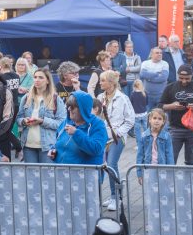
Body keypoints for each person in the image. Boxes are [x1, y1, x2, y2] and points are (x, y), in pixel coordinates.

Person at [97, 70, 134, 211]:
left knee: (111, 164)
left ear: (111, 83)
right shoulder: (100, 97)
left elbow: (130, 120)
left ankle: (116, 198)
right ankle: (114, 195)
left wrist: (118, 132)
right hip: (103, 137)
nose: (100, 83)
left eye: (103, 80)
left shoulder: (123, 98)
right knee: (110, 167)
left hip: (117, 138)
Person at [16, 67, 66, 163]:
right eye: (35, 77)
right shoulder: (26, 98)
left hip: (48, 146)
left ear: (47, 81)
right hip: (28, 146)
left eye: (40, 77)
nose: (37, 80)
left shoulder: (56, 99)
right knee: (31, 177)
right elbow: (18, 118)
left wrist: (42, 121)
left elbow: (61, 123)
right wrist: (24, 121)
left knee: (47, 176)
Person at [158, 66, 193, 165]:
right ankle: (171, 179)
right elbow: (160, 105)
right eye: (181, 78)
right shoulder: (170, 87)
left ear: (192, 76)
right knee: (170, 159)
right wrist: (172, 106)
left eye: (187, 78)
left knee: (192, 161)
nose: (184, 81)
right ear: (177, 76)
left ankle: (190, 179)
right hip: (175, 128)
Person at [50, 91, 107, 165]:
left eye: (73, 107)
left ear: (83, 109)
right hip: (62, 173)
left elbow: (96, 149)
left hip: (85, 174)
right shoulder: (65, 122)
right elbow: (57, 142)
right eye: (68, 106)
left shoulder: (97, 124)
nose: (69, 109)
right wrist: (52, 150)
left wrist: (76, 133)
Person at [135, 108, 174, 184]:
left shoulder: (166, 136)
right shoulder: (143, 136)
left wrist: (170, 173)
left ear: (163, 122)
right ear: (150, 120)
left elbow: (169, 155)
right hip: (148, 169)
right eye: (154, 118)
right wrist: (139, 174)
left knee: (163, 190)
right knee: (150, 191)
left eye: (160, 119)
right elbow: (140, 155)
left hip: (162, 169)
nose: (157, 121)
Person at [140, 47, 169, 113]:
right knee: (148, 115)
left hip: (161, 95)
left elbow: (163, 78)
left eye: (160, 53)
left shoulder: (165, 64)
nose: (159, 54)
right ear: (151, 55)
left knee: (161, 115)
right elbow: (142, 74)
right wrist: (157, 73)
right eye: (157, 53)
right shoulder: (145, 63)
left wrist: (149, 78)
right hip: (147, 95)